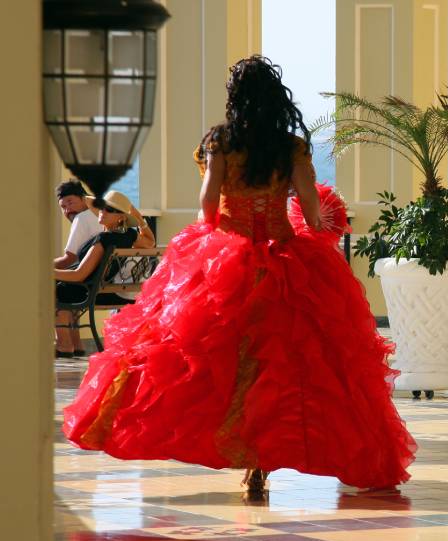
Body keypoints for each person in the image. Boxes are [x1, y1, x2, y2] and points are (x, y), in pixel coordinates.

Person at [62, 55, 417, 493]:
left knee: (214, 361)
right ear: (277, 98)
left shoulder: (221, 142)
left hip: (226, 261)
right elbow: (310, 208)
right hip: (286, 263)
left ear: (236, 98)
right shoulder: (292, 147)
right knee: (287, 367)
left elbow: (208, 202)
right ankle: (260, 462)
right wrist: (319, 220)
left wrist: (208, 239)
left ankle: (241, 451)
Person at [54, 191, 155, 357]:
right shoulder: (128, 235)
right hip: (100, 289)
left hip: (87, 290)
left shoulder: (103, 239)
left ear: (120, 218)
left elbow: (79, 275)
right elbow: (150, 242)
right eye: (102, 207)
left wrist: (46, 272)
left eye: (110, 210)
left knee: (52, 288)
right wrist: (139, 219)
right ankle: (71, 344)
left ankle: (64, 344)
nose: (103, 211)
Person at [54, 180, 103, 356]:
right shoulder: (104, 215)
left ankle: (64, 345)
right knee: (68, 285)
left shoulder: (83, 218)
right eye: (63, 207)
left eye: (71, 202)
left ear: (84, 199)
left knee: (54, 286)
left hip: (95, 287)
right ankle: (76, 344)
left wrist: (39, 267)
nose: (68, 210)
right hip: (113, 284)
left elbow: (69, 259)